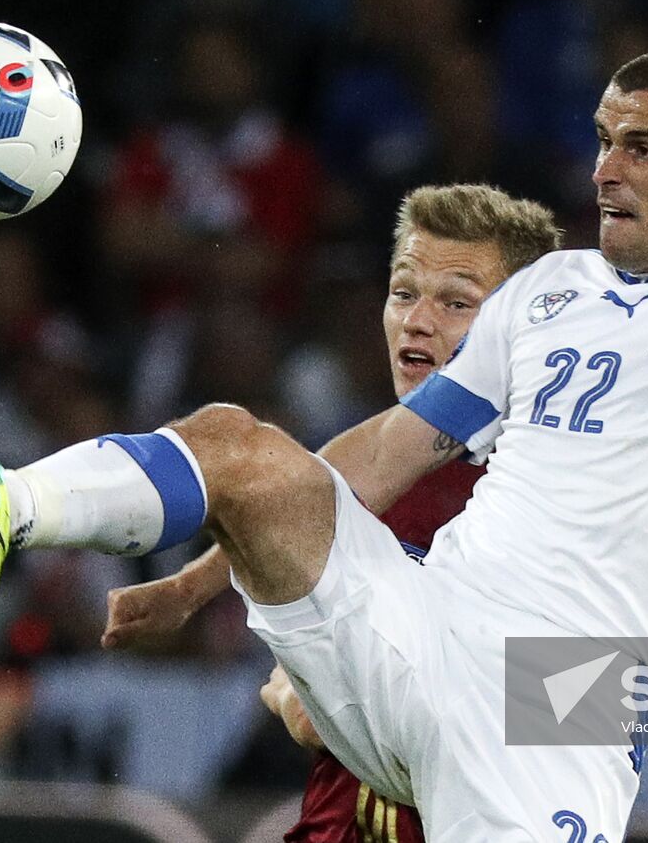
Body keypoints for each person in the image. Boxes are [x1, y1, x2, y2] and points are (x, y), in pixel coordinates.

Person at [0, 45, 648, 839]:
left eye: (641, 147)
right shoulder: (548, 291)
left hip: (553, 708)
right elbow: (385, 453)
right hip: (421, 625)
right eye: (600, 139)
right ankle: (7, 506)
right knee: (234, 440)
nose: (604, 170)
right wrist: (199, 578)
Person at [102, 182, 563, 842]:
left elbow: (617, 704)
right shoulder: (378, 456)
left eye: (457, 302)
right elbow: (298, 498)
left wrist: (368, 701)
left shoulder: (571, 481)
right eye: (404, 293)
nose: (418, 320)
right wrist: (187, 590)